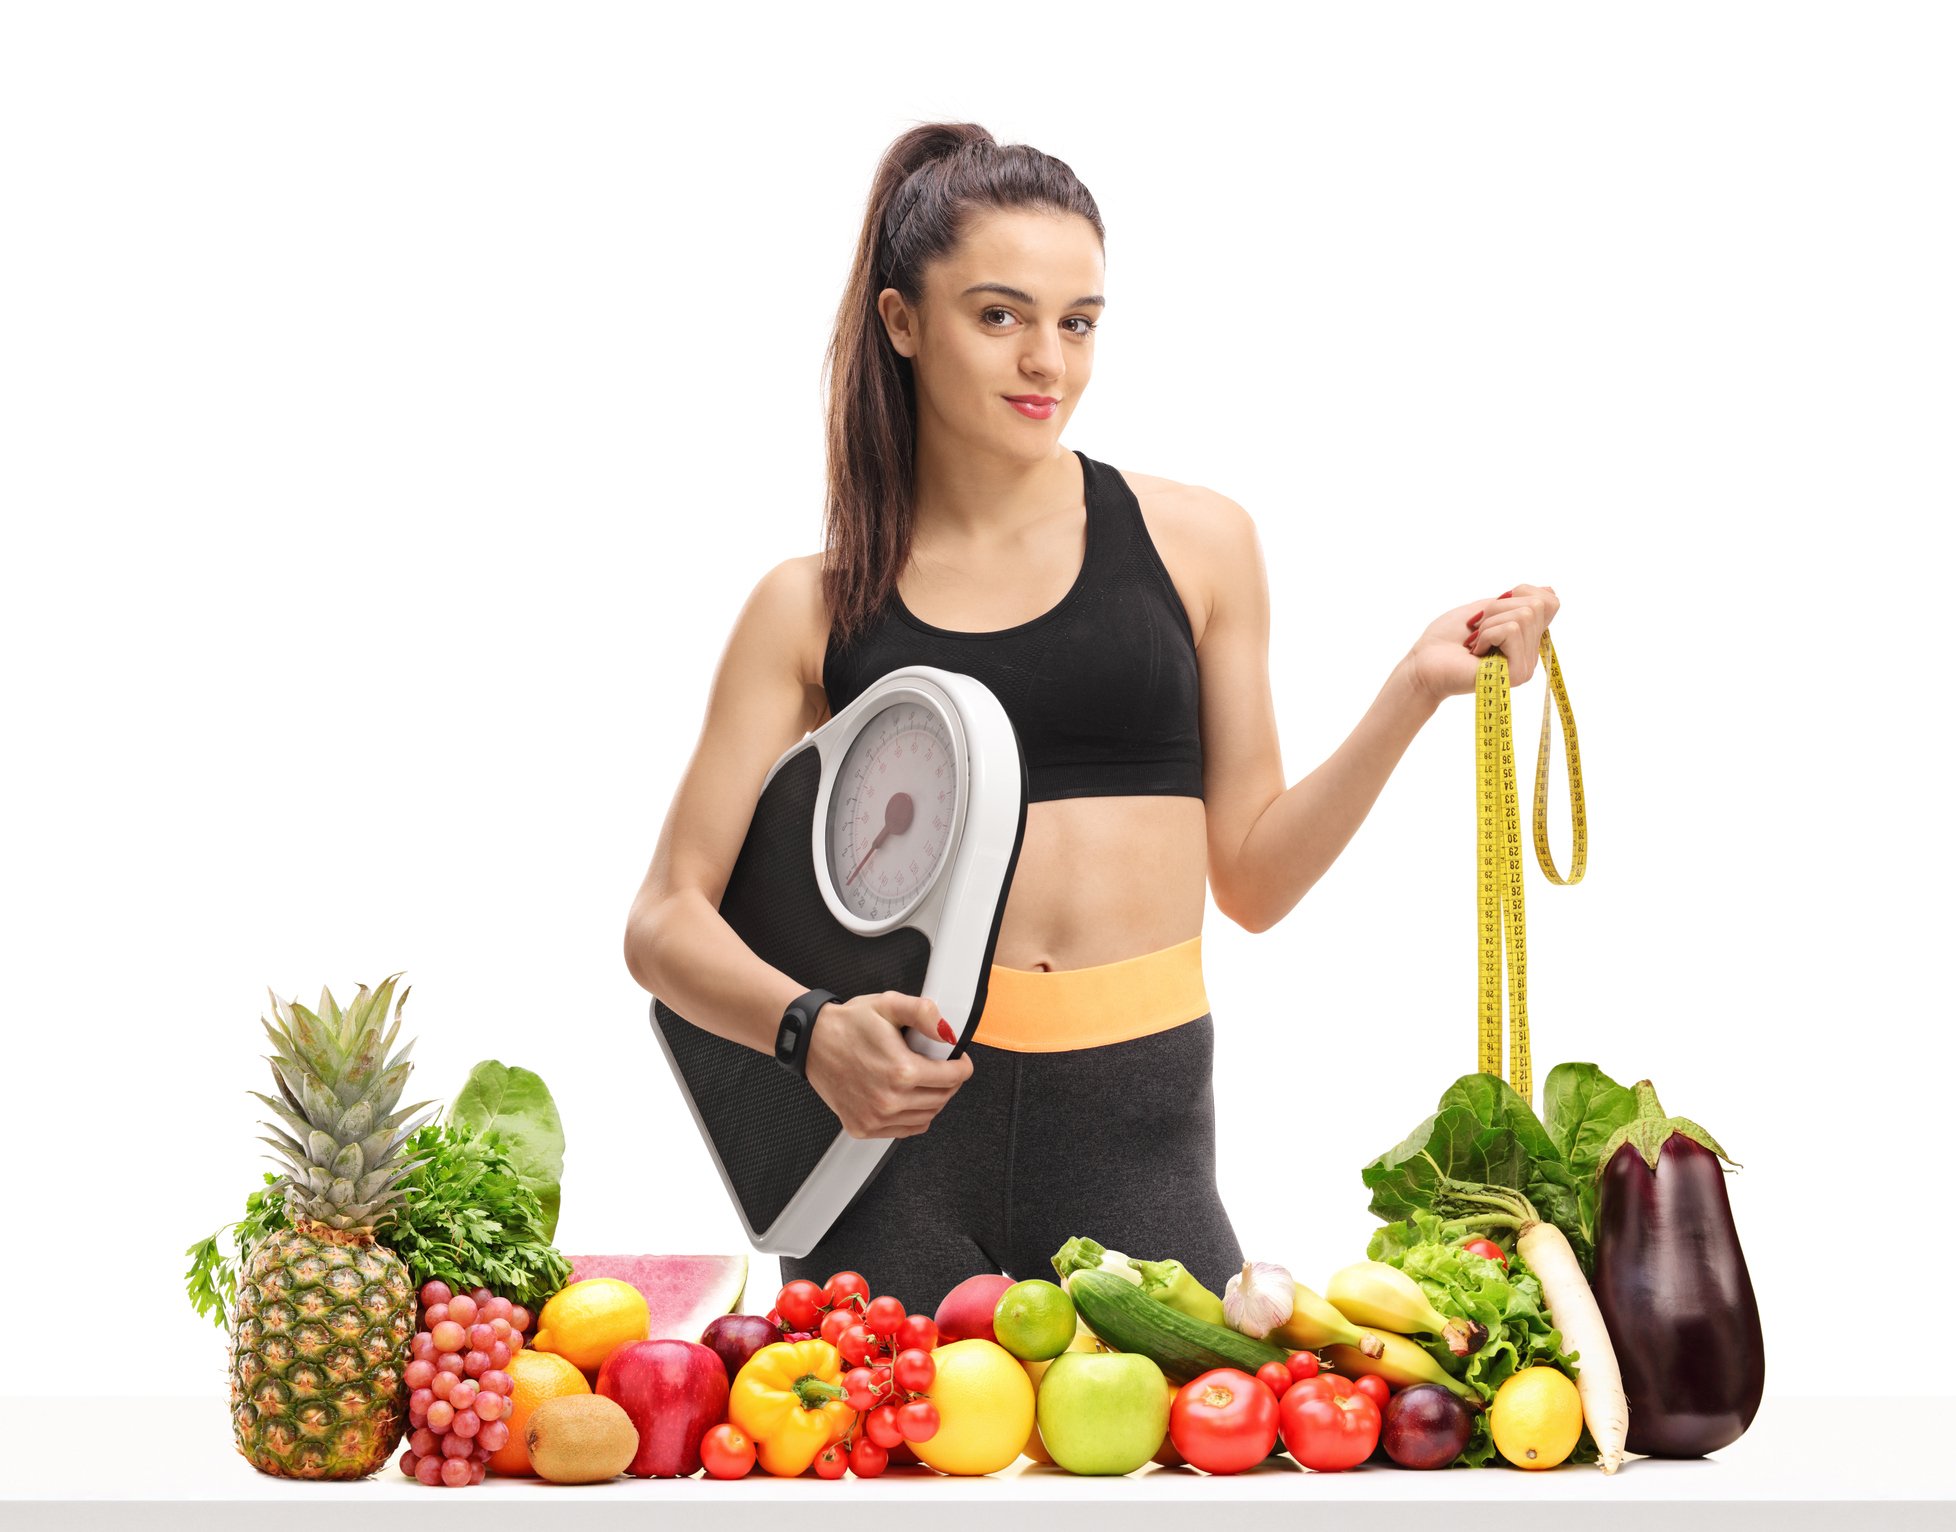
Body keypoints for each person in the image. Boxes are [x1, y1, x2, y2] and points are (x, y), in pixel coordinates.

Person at [623, 121, 1560, 1316]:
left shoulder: (1198, 543)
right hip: (893, 1146)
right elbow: (664, 920)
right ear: (904, 322)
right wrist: (810, 1032)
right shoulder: (809, 602)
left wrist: (1415, 688)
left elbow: (1256, 880)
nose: (1045, 364)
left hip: (1140, 1124)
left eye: (1078, 322)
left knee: (1192, 1476)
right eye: (1000, 316)